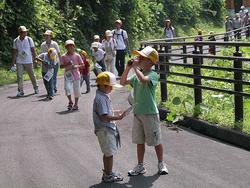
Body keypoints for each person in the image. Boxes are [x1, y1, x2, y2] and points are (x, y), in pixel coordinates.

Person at [120, 46, 168, 176]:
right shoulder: (136, 76)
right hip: (138, 113)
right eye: (139, 57)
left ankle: (161, 163)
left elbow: (143, 80)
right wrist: (128, 68)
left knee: (156, 140)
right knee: (139, 140)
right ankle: (140, 165)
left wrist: (135, 68)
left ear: (151, 61)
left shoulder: (153, 75)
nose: (139, 58)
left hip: (150, 113)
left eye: (142, 57)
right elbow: (123, 81)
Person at [93, 71, 125, 183]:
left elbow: (106, 112)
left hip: (105, 129)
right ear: (102, 85)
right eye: (110, 87)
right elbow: (104, 117)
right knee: (109, 154)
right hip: (105, 129)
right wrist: (118, 118)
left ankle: (107, 172)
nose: (111, 89)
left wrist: (115, 112)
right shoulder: (101, 98)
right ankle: (108, 174)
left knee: (107, 153)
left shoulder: (102, 95)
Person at [11, 26, 39, 97]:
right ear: (20, 33)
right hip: (19, 61)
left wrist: (35, 58)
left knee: (32, 75)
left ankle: (36, 88)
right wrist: (13, 63)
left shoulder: (29, 39)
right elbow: (14, 52)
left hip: (28, 61)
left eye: (26, 32)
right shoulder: (16, 41)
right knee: (19, 76)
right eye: (24, 32)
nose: (25, 33)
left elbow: (33, 50)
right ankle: (20, 91)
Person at [60, 40, 83, 111]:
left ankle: (76, 104)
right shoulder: (63, 56)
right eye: (68, 46)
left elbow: (82, 65)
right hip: (68, 75)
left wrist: (76, 66)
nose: (70, 48)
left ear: (74, 47)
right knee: (67, 89)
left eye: (71, 46)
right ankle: (70, 101)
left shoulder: (77, 55)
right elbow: (61, 66)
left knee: (77, 91)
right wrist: (67, 64)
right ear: (66, 47)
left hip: (76, 75)